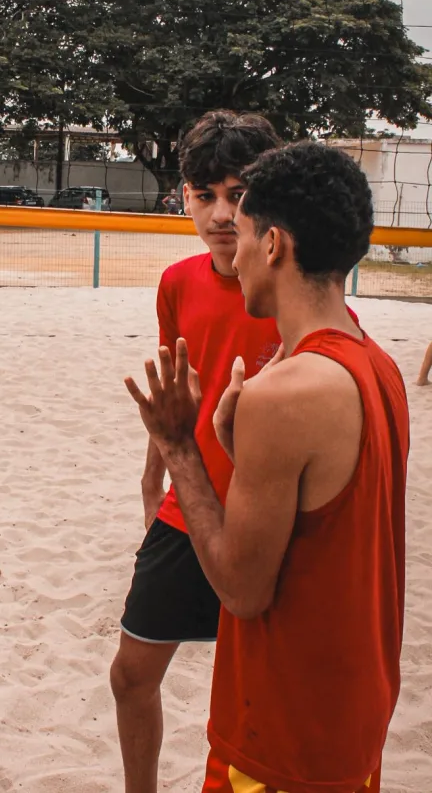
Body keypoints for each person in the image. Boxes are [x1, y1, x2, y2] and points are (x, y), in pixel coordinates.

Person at [126, 141, 409, 793]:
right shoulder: (379, 367)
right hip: (352, 716)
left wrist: (179, 447)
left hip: (282, 734)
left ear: (275, 245)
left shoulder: (283, 393)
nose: (235, 248)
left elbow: (241, 590)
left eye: (246, 231)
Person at [110, 110, 282, 793]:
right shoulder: (178, 282)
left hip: (268, 518)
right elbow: (173, 391)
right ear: (180, 194)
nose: (218, 213)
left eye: (237, 196)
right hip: (189, 508)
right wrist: (153, 480)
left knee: (255, 699)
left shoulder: (287, 286)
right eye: (202, 193)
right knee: (129, 675)